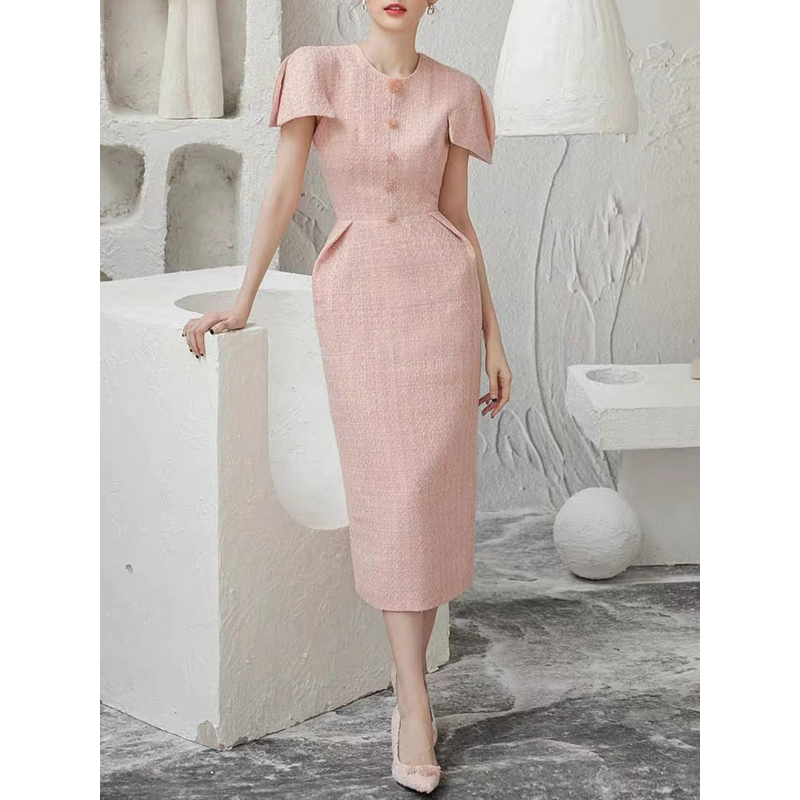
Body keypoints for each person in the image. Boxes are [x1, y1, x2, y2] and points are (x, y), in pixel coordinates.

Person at [182, 0, 511, 792]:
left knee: (426, 493)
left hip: (441, 298)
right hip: (359, 294)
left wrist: (493, 338)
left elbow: (459, 221)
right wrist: (242, 301)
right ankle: (415, 697)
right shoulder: (316, 72)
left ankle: (409, 694)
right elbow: (282, 192)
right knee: (393, 492)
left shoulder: (458, 92)